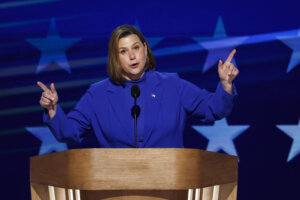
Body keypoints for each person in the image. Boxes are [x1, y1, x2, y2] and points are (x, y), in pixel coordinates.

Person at [37, 25, 239, 148]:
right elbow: (69, 131)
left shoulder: (172, 85)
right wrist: (53, 110)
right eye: (123, 51)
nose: (132, 56)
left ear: (145, 48)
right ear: (115, 58)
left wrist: (225, 84)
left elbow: (214, 108)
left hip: (171, 183)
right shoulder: (97, 94)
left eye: (136, 48)